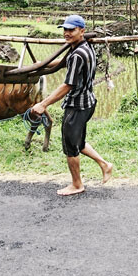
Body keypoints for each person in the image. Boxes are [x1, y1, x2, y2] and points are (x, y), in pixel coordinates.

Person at [31, 14, 113, 196]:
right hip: (88, 102)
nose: (66, 33)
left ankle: (77, 185)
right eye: (65, 29)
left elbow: (67, 85)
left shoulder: (77, 54)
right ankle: (105, 165)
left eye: (71, 30)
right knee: (79, 142)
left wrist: (43, 104)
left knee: (70, 147)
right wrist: (42, 64)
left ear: (82, 31)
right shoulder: (85, 47)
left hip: (76, 105)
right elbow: (64, 63)